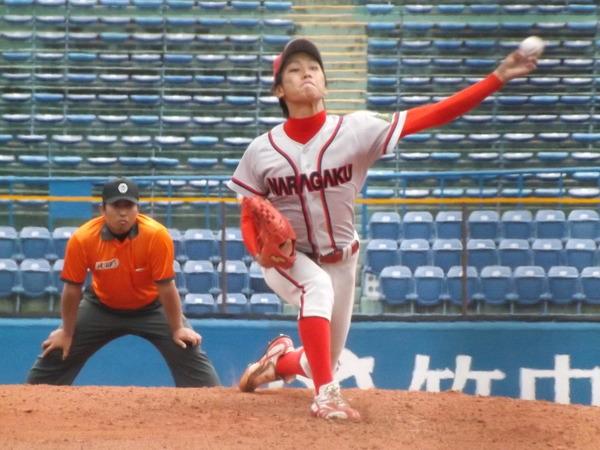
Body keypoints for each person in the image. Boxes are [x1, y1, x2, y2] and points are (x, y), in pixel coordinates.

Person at [227, 38, 538, 420]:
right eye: (294, 69)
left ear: (325, 82)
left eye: (313, 66)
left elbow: (433, 114)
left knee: (318, 359)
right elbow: (248, 213)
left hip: (343, 258)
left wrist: (497, 77)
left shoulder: (355, 129)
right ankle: (326, 397)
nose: (306, 71)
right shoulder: (262, 150)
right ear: (279, 89)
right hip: (291, 259)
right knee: (316, 289)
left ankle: (276, 363)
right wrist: (257, 250)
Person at [26, 177, 220, 387]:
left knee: (186, 346)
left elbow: (166, 287)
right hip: (101, 307)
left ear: (138, 208)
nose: (122, 212)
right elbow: (72, 289)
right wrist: (66, 331)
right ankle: (29, 407)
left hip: (152, 308)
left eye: (128, 205)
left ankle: (212, 408)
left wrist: (176, 329)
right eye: (116, 206)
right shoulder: (83, 238)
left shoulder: (156, 235)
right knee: (57, 349)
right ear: (102, 209)